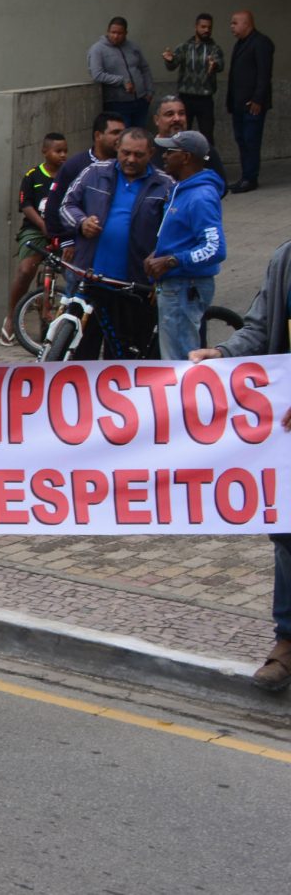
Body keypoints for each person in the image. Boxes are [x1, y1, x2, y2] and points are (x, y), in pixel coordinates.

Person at [186, 244, 291, 692]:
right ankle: (287, 642)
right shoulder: (284, 258)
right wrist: (225, 354)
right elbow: (261, 327)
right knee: (287, 532)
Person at [57, 128, 172, 360]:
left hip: (134, 286)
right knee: (81, 350)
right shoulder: (95, 172)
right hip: (91, 279)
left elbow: (171, 234)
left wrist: (160, 278)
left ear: (151, 153)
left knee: (123, 354)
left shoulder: (165, 185)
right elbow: (66, 205)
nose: (131, 159)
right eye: (126, 152)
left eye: (138, 155)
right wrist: (81, 222)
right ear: (117, 148)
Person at [147, 131, 226, 361]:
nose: (163, 155)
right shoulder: (182, 189)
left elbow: (215, 248)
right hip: (176, 286)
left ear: (186, 157)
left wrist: (172, 261)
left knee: (180, 361)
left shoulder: (200, 196)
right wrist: (157, 255)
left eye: (170, 151)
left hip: (183, 288)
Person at [0, 132, 70, 346]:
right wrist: (42, 225)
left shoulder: (70, 176)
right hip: (36, 230)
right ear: (45, 151)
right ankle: (11, 318)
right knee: (25, 270)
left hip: (63, 231)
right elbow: (26, 206)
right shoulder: (32, 176)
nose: (63, 155)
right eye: (58, 151)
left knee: (75, 271)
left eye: (65, 151)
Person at [44, 111, 126, 243]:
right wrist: (66, 241)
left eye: (123, 133)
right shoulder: (74, 166)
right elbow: (54, 206)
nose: (121, 138)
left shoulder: (126, 167)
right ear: (98, 135)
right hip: (79, 246)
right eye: (115, 133)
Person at [226, 10, 275, 193]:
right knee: (242, 140)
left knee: (251, 140)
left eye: (234, 23)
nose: (231, 27)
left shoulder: (261, 43)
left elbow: (264, 74)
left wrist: (257, 99)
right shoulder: (240, 44)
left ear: (246, 23)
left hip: (252, 104)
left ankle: (250, 178)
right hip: (238, 104)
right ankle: (245, 176)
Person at [163, 13, 224, 145]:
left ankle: (207, 162)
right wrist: (169, 60)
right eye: (203, 27)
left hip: (205, 99)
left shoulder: (214, 48)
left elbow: (220, 65)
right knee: (182, 134)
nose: (206, 30)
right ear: (196, 27)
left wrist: (214, 65)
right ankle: (183, 162)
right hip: (185, 98)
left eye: (209, 27)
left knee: (207, 136)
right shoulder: (184, 47)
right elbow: (172, 65)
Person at [88, 16, 155, 129]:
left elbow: (144, 68)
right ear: (107, 31)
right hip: (117, 103)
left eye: (120, 33)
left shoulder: (133, 47)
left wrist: (149, 92)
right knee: (123, 136)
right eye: (113, 32)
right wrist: (121, 81)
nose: (116, 36)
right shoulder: (98, 50)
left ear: (126, 33)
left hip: (140, 100)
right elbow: (97, 74)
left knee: (139, 134)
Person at [153, 94, 228, 189]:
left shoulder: (200, 147)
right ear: (156, 120)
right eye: (170, 114)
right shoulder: (147, 149)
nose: (177, 119)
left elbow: (221, 183)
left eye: (181, 113)